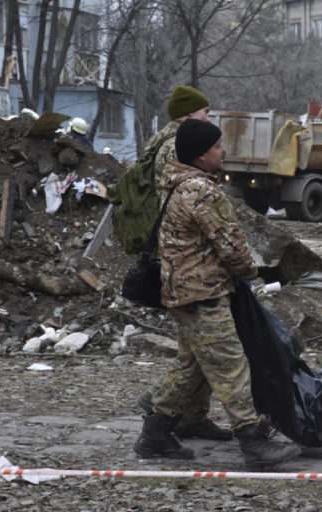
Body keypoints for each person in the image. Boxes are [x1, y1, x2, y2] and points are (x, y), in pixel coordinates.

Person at [133, 119, 301, 468]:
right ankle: (253, 441)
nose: (222, 152)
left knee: (192, 366)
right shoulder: (202, 192)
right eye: (217, 147)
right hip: (203, 293)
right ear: (200, 154)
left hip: (183, 291)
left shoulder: (174, 183)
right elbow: (229, 244)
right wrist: (250, 273)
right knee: (230, 365)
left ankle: (155, 433)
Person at [135, 85, 232, 442]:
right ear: (188, 114)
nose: (210, 117)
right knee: (202, 349)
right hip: (187, 261)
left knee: (196, 350)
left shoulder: (173, 141)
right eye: (205, 112)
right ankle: (160, 409)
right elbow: (184, 203)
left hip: (185, 259)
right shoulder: (175, 147)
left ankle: (191, 416)